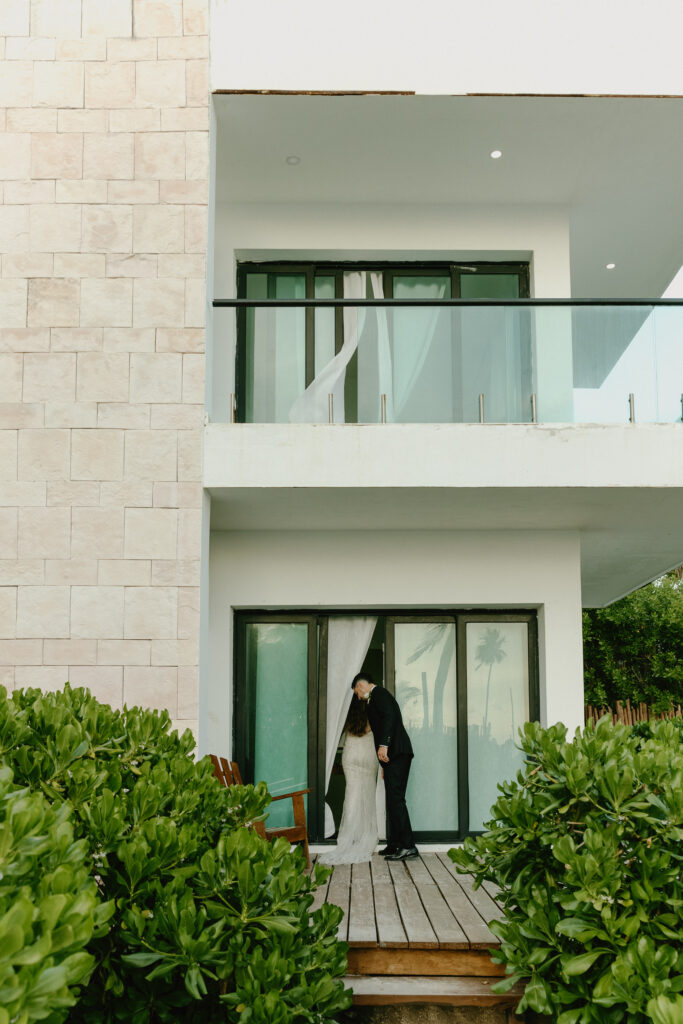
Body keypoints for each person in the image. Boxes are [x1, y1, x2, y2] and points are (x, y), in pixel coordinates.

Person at [352, 672, 418, 861]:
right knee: (392, 799)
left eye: (356, 692)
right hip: (393, 756)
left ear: (361, 686)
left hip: (397, 752)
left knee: (396, 799)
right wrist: (383, 763)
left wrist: (384, 745)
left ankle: (408, 846)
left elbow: (390, 718)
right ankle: (395, 844)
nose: (357, 696)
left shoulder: (379, 694)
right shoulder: (376, 697)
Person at [318, 693, 380, 864]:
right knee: (367, 796)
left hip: (351, 755)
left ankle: (350, 835)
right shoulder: (372, 713)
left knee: (351, 796)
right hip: (368, 756)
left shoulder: (347, 715)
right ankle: (365, 834)